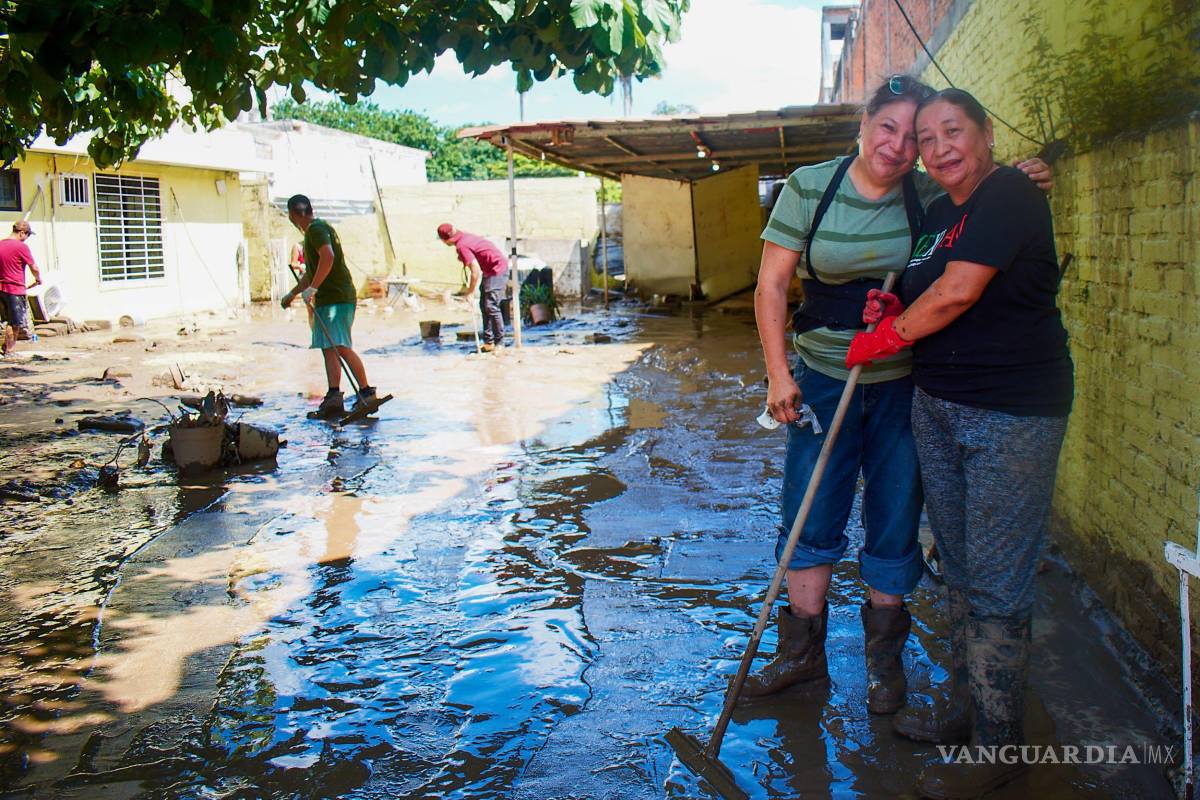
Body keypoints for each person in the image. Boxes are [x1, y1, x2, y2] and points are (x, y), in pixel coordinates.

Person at [748, 75, 1052, 716]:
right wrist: (780, 373)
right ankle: (803, 656)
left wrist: (1022, 175)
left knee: (893, 517)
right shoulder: (812, 186)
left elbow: (979, 197)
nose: (900, 146)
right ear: (863, 124)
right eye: (890, 128)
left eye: (911, 137)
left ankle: (885, 668)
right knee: (811, 509)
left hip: (907, 384)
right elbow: (772, 285)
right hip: (823, 379)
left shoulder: (926, 192)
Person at [846, 88, 1073, 798]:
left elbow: (957, 293)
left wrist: (887, 335)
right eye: (928, 137)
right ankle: (967, 709)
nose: (940, 146)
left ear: (987, 134)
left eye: (954, 130)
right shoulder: (939, 213)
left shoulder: (1009, 194)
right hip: (938, 405)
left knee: (1000, 582)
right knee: (963, 567)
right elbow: (928, 285)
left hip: (1010, 413)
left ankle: (1000, 751)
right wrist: (892, 306)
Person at [280, 194, 376, 418]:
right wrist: (293, 294)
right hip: (329, 297)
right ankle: (334, 397)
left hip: (337, 296)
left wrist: (312, 288)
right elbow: (314, 270)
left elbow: (328, 257)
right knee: (329, 348)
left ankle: (366, 391)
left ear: (294, 215)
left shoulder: (316, 229)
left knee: (339, 345)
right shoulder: (316, 232)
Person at [437, 223, 508, 352]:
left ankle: (500, 343)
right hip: (490, 269)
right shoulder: (464, 237)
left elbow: (475, 272)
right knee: (483, 305)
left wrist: (469, 292)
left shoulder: (461, 246)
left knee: (491, 306)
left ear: (444, 240)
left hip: (497, 269)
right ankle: (489, 342)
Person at [0, 220, 41, 352]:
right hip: (15, 289)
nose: (26, 239)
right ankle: (9, 352)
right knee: (15, 323)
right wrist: (38, 279)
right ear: (22, 233)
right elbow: (34, 267)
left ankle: (4, 349)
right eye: (27, 236)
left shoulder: (0, 244)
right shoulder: (21, 247)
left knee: (5, 321)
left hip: (1, 289)